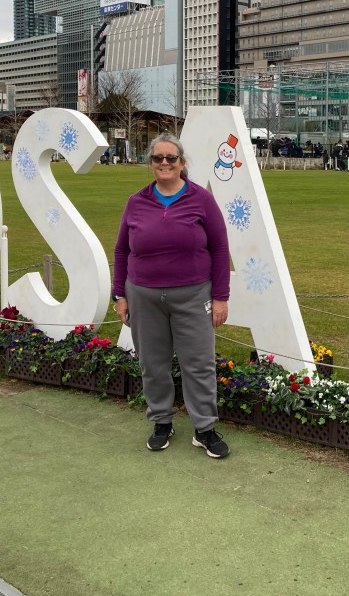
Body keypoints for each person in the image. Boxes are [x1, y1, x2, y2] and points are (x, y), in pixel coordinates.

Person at [112, 133, 232, 458]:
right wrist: (119, 295)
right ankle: (162, 421)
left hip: (193, 294)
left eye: (171, 158)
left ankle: (204, 428)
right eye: (157, 158)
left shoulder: (201, 199)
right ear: (150, 163)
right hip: (143, 295)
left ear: (182, 163)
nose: (164, 163)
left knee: (200, 364)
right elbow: (122, 249)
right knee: (153, 364)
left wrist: (221, 297)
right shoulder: (136, 201)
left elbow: (220, 248)